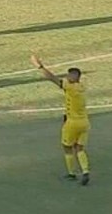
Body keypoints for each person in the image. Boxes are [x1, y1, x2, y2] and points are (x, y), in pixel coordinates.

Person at [31, 55, 91, 185]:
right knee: (79, 148)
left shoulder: (70, 87)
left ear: (75, 77)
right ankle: (85, 171)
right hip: (85, 122)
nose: (67, 77)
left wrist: (40, 66)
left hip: (72, 123)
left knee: (67, 147)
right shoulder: (82, 87)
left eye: (70, 75)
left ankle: (71, 173)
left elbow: (52, 78)